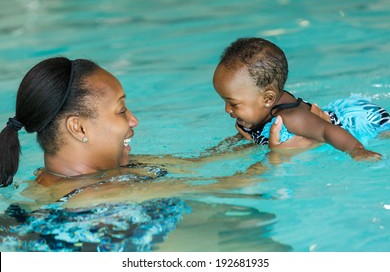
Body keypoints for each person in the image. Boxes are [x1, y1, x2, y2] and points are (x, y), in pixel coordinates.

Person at [1, 57, 294, 209]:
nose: (134, 120)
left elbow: (201, 163)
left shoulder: (102, 173)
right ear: (78, 128)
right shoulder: (89, 197)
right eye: (120, 110)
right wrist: (283, 157)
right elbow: (229, 186)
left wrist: (255, 135)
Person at [213, 37, 390, 160]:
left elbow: (326, 131)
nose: (227, 109)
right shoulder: (253, 114)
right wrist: (211, 154)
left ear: (267, 99)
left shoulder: (291, 116)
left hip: (361, 119)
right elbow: (242, 139)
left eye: (233, 103)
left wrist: (356, 151)